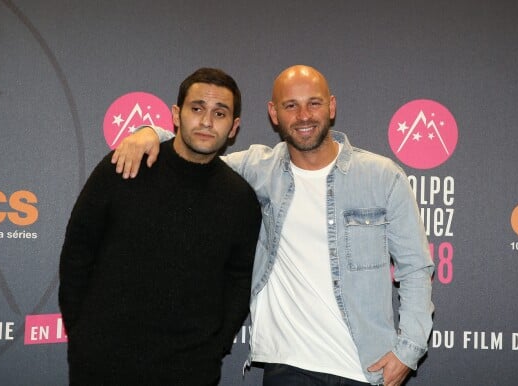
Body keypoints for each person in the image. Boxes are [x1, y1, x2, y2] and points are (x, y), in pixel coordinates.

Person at [112, 65, 434, 386]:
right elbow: (198, 155)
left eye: (314, 103)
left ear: (332, 106)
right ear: (273, 113)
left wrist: (409, 350)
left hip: (366, 368)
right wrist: (150, 132)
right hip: (289, 367)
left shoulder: (381, 176)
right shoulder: (259, 168)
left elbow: (415, 267)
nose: (304, 115)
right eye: (290, 105)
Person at [58, 68, 262, 385]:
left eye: (219, 113)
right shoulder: (126, 165)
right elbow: (78, 251)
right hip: (100, 365)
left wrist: (213, 348)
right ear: (176, 115)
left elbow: (238, 284)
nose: (207, 121)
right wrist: (83, 334)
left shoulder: (240, 199)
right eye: (197, 108)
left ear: (233, 127)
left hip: (190, 371)